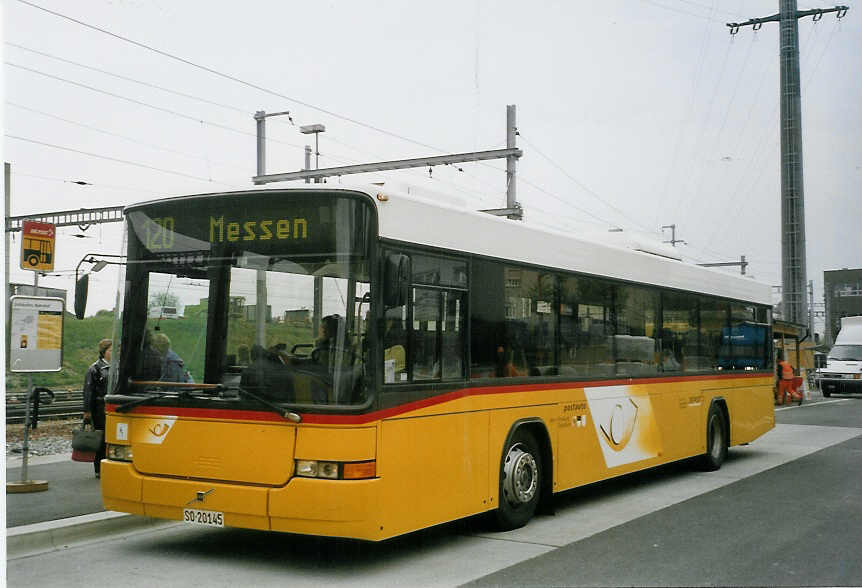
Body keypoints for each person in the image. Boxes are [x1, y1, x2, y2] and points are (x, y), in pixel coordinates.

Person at [83, 338, 111, 478]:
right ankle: (99, 468)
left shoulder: (116, 367)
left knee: (110, 437)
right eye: (111, 350)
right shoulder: (94, 369)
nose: (113, 353)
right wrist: (87, 411)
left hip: (111, 407)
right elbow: (88, 391)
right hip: (99, 408)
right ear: (103, 352)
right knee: (100, 438)